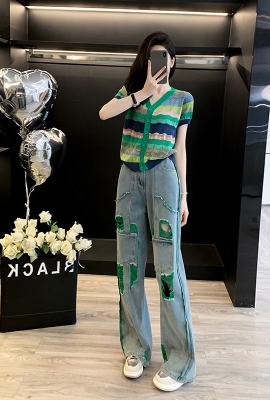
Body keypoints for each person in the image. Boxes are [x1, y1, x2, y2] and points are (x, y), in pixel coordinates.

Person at [99, 31, 196, 392]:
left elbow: (180, 148)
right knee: (128, 265)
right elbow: (104, 113)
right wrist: (141, 93)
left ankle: (181, 361)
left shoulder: (183, 99)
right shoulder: (131, 92)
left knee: (169, 269)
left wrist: (184, 196)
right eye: (152, 56)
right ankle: (136, 348)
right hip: (128, 179)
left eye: (164, 56)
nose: (158, 62)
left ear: (173, 61)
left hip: (164, 179)